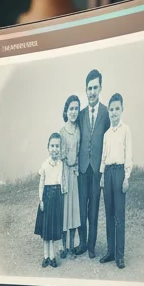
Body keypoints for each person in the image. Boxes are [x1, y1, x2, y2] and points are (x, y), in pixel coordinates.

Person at [76, 69, 110, 258]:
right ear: (86, 89)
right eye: (89, 88)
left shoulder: (106, 113)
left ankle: (91, 246)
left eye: (95, 87)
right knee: (81, 207)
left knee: (94, 209)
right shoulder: (80, 115)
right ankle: (82, 243)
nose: (92, 92)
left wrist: (104, 169)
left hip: (96, 169)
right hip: (82, 169)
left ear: (100, 88)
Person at [100, 93, 133, 269]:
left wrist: (126, 178)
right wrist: (101, 177)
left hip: (120, 173)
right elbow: (103, 157)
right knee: (109, 215)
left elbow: (129, 156)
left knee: (119, 216)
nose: (113, 113)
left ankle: (120, 255)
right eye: (111, 109)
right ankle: (110, 252)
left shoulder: (125, 130)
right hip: (108, 174)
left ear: (122, 109)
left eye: (117, 109)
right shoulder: (106, 134)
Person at [35, 132, 66, 268]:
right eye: (52, 146)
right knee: (46, 230)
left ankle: (52, 256)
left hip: (56, 199)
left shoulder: (61, 164)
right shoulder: (45, 165)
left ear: (60, 148)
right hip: (47, 199)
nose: (54, 149)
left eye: (57, 146)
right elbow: (41, 184)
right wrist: (41, 200)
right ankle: (45, 256)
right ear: (48, 147)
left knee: (52, 229)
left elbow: (62, 182)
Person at [59, 95, 82, 258]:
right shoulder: (62, 132)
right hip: (65, 174)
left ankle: (72, 246)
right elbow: (61, 155)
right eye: (71, 108)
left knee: (74, 210)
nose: (73, 112)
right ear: (66, 111)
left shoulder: (79, 130)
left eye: (76, 108)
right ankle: (63, 247)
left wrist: (77, 168)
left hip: (74, 174)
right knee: (64, 210)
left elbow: (79, 152)